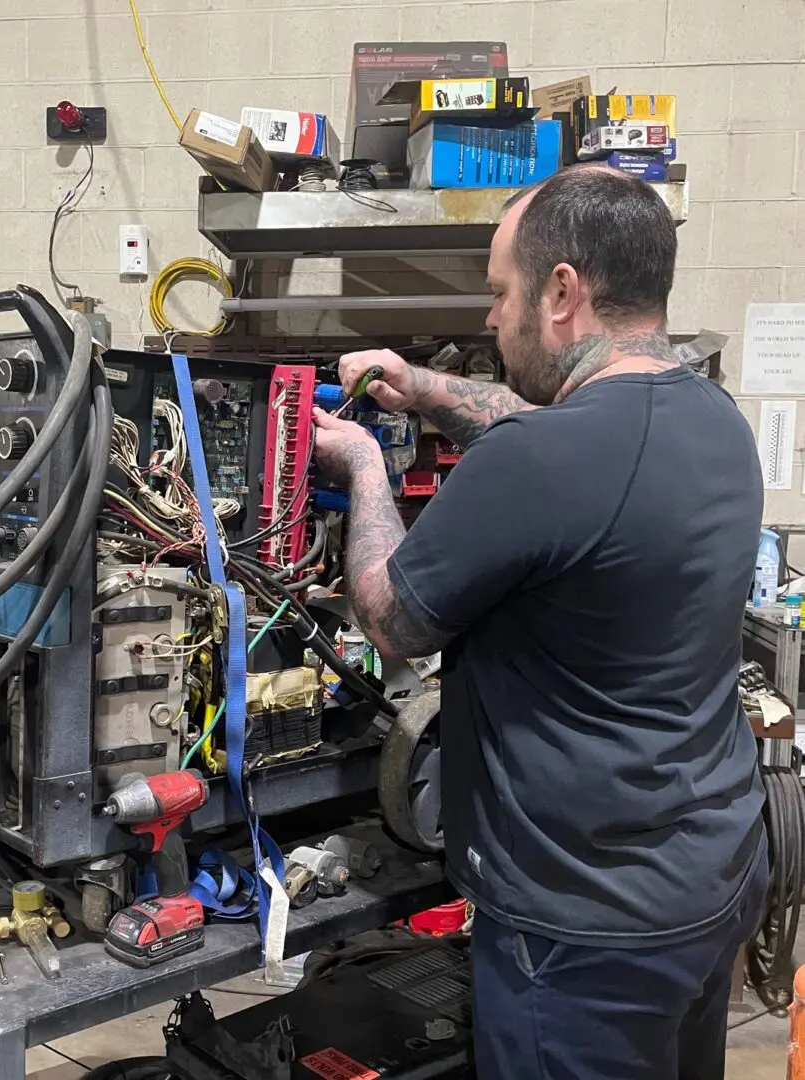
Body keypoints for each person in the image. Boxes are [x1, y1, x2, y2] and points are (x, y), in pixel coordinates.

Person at [313, 167, 768, 1080]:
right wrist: (421, 385)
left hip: (581, 926)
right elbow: (556, 427)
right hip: (710, 876)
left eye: (499, 293)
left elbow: (393, 617)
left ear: (562, 291)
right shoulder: (715, 419)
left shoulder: (537, 459)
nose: (491, 319)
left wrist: (363, 463)